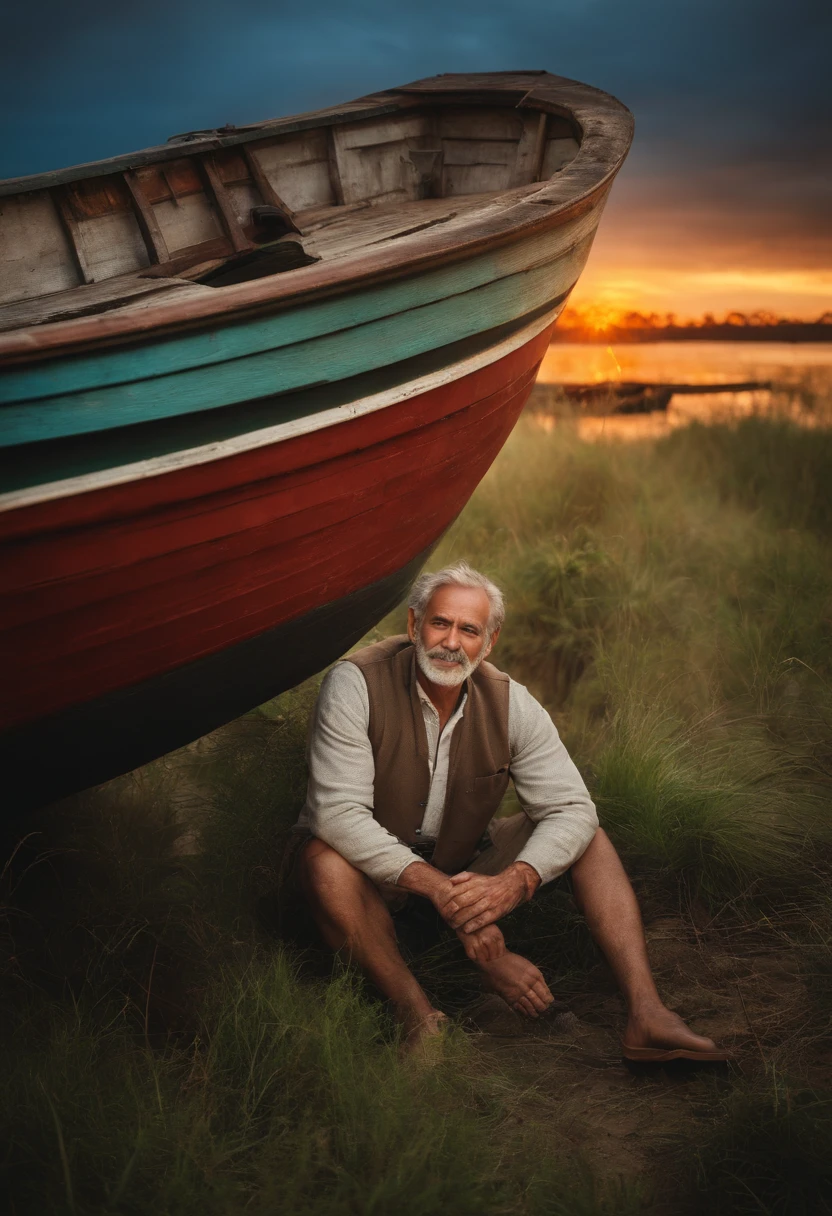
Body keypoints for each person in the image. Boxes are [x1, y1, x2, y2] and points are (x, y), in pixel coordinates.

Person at [289, 561, 728, 1061]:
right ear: (414, 625)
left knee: (588, 837)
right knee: (324, 858)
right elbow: (337, 814)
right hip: (367, 882)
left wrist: (514, 881)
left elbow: (571, 807)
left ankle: (647, 1015)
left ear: (489, 642)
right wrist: (460, 910)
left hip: (460, 867)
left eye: (469, 630)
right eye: (440, 623)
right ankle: (420, 1020)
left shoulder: (510, 702)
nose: (451, 642)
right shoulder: (354, 683)